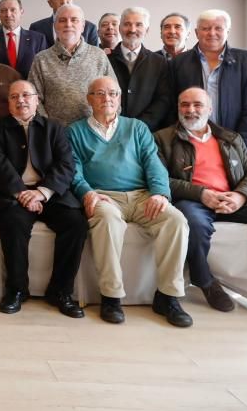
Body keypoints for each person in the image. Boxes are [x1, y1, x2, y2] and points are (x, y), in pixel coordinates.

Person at [155, 87, 247, 322]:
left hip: (233, 199)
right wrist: (201, 193)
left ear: (210, 108)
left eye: (197, 104)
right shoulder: (163, 138)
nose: (190, 110)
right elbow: (160, 179)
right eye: (184, 104)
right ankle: (206, 282)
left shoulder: (229, 138)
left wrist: (240, 196)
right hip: (194, 201)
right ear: (178, 108)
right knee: (191, 222)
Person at [66, 76, 192, 327]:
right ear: (89, 99)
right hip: (104, 196)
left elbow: (153, 163)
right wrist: (87, 193)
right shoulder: (75, 131)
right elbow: (73, 170)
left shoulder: (136, 128)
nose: (107, 99)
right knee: (108, 219)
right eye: (100, 94)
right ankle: (111, 296)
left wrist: (159, 193)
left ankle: (168, 296)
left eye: (112, 93)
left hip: (143, 195)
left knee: (176, 220)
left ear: (120, 98)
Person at [0, 80, 87, 318]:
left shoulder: (55, 128)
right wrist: (22, 193)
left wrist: (42, 192)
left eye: (26, 95)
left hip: (49, 193)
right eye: (14, 97)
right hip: (14, 195)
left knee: (76, 224)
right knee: (13, 223)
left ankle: (60, 292)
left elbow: (66, 165)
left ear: (36, 100)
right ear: (8, 102)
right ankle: (17, 290)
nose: (21, 100)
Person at [171, 9, 247, 149]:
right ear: (196, 32)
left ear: (228, 31)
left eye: (218, 28)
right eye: (205, 28)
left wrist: (240, 146)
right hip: (189, 143)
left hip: (235, 142)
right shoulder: (179, 62)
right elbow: (172, 104)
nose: (212, 33)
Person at [28, 4, 115, 125]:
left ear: (83, 26)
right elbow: (33, 98)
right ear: (55, 26)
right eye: (62, 20)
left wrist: (105, 123)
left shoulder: (98, 56)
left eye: (74, 20)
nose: (68, 24)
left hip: (93, 133)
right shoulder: (41, 59)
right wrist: (49, 127)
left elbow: (114, 94)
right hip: (55, 136)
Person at [108, 7, 172, 131]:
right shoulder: (105, 60)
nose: (132, 30)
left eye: (138, 25)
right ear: (120, 29)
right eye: (127, 24)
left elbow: (163, 100)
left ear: (146, 30)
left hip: (148, 132)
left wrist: (139, 127)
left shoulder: (159, 62)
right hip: (112, 131)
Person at [28, 0, 98, 48]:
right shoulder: (36, 27)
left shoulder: (90, 28)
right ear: (50, 3)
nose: (64, 1)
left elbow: (95, 57)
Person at [0, 0, 47, 78]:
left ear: (21, 12)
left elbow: (43, 69)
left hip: (29, 88)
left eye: (13, 10)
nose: (8, 14)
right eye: (3, 11)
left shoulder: (38, 39)